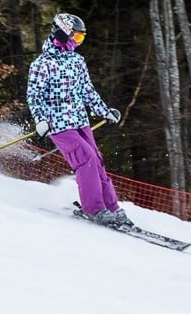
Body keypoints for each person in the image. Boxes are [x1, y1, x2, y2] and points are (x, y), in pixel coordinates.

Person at [27, 13, 133, 228]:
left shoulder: (77, 61)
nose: (78, 42)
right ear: (62, 33)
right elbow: (34, 95)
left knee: (97, 159)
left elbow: (87, 91)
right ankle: (94, 208)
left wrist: (105, 111)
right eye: (76, 37)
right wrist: (40, 120)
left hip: (79, 120)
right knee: (86, 159)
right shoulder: (42, 64)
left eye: (81, 39)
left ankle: (112, 207)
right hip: (58, 123)